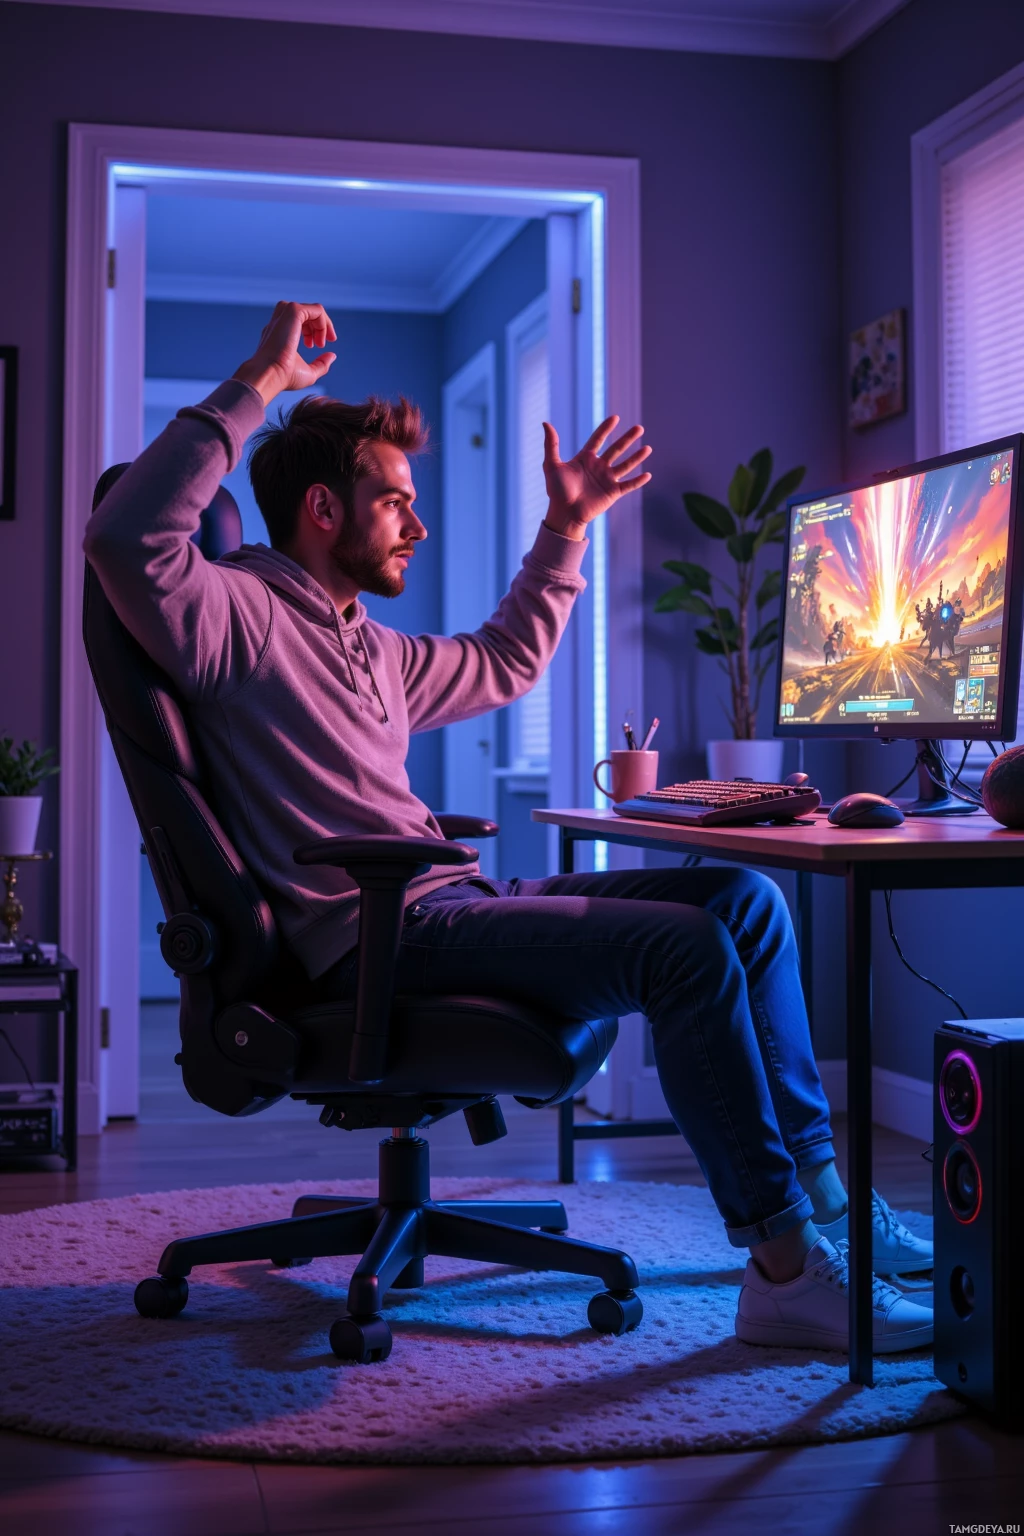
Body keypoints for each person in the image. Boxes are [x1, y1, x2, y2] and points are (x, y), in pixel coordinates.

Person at [85, 301, 933, 1354]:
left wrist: (566, 523)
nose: (417, 524)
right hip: (375, 939)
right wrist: (263, 379)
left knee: (744, 904)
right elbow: (124, 532)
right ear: (319, 510)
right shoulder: (233, 615)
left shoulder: (369, 645)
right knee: (683, 954)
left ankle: (835, 1211)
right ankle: (782, 1267)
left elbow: (502, 662)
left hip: (448, 906)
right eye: (395, 502)